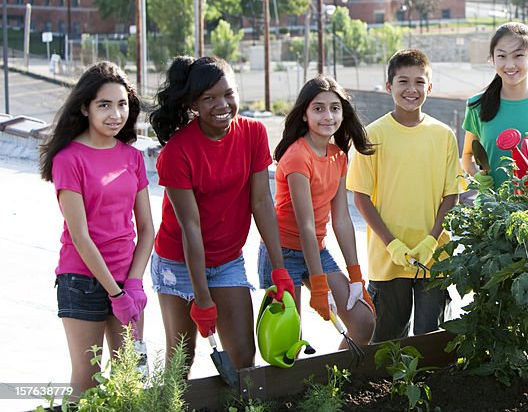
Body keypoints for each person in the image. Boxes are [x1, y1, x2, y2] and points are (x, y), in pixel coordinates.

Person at [148, 56, 294, 372]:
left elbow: (261, 203)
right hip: (179, 262)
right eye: (209, 98)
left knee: (243, 357)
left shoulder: (253, 133)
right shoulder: (177, 153)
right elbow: (190, 227)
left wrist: (279, 269)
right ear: (193, 105)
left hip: (227, 260)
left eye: (228, 93)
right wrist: (201, 299)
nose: (222, 104)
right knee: (180, 363)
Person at [40, 61, 154, 394]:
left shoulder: (132, 157)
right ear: (85, 107)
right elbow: (80, 236)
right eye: (104, 105)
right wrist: (115, 292)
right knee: (88, 383)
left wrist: (132, 283)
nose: (115, 114)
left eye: (122, 104)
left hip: (126, 281)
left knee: (129, 379)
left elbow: (146, 228)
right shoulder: (68, 159)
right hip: (82, 281)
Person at [347, 49, 462, 341]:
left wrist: (431, 240)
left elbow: (452, 195)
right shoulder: (371, 135)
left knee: (429, 341)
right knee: (387, 342)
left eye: (420, 82)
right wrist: (393, 245)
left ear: (430, 87)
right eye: (403, 81)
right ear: (389, 86)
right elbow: (361, 196)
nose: (412, 89)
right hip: (388, 259)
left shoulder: (443, 134)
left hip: (434, 257)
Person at [258, 75, 376, 346]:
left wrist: (355, 273)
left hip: (317, 251)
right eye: (318, 108)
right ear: (304, 114)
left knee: (363, 321)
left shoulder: (339, 155)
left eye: (335, 108)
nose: (328, 116)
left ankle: (333, 384)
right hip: (282, 253)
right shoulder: (298, 156)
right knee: (287, 342)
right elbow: (305, 225)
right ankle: (290, 389)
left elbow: (342, 220)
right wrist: (319, 284)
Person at [461, 22, 528, 191]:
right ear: (492, 58)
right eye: (502, 56)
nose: (510, 64)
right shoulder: (477, 105)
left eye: (518, 55)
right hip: (492, 209)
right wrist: (476, 177)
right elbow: (468, 156)